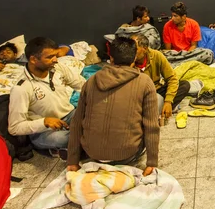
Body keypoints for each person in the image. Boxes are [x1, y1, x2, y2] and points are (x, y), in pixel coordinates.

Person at [67, 38, 159, 176]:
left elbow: (77, 122)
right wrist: (152, 163)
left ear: (110, 57)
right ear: (134, 57)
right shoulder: (145, 82)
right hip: (126, 155)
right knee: (157, 103)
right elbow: (151, 125)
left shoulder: (91, 81)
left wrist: (72, 161)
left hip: (93, 154)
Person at [8, 37, 86, 156]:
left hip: (69, 115)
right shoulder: (21, 88)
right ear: (33, 59)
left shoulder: (58, 68)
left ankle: (74, 146)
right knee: (66, 139)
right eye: (49, 57)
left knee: (99, 118)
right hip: (44, 131)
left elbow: (82, 85)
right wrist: (44, 122)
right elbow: (14, 127)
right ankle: (66, 146)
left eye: (55, 55)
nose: (55, 60)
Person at [131, 34, 191, 117]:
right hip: (139, 95)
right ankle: (156, 110)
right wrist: (130, 66)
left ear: (144, 48)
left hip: (156, 89)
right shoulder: (127, 59)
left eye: (135, 49)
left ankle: (162, 108)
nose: (131, 52)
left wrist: (168, 101)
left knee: (184, 85)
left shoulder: (156, 55)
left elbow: (171, 78)